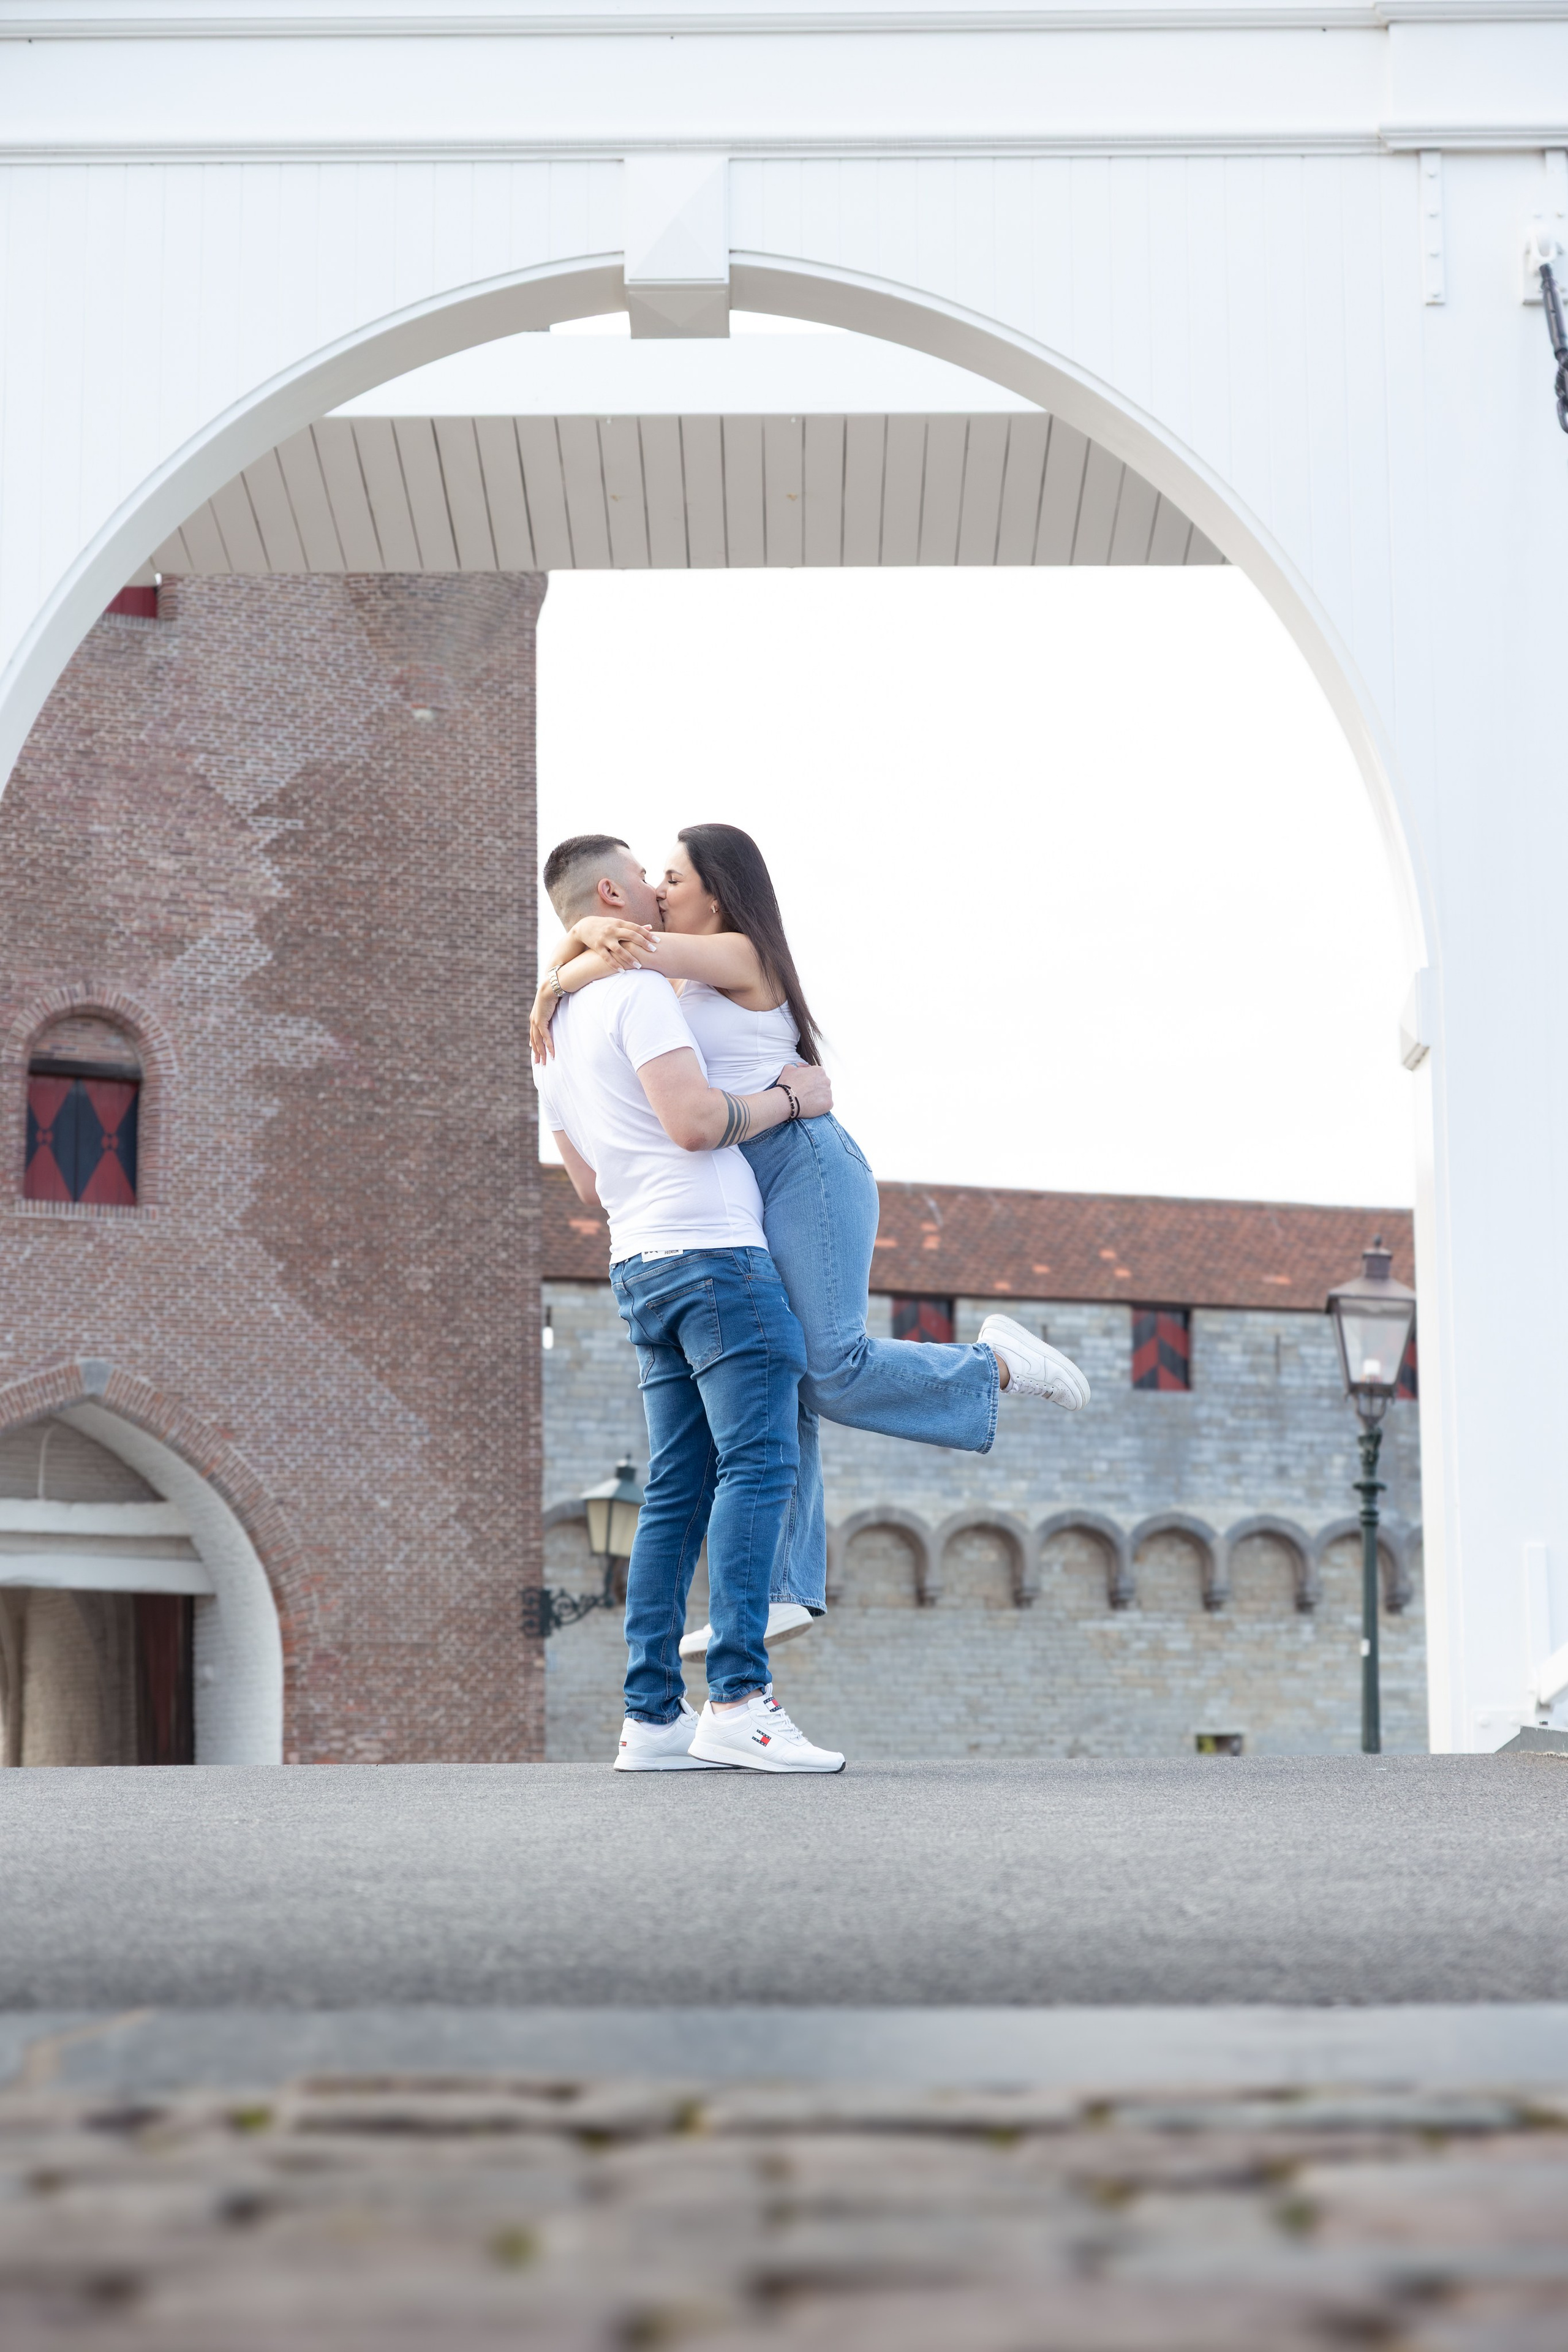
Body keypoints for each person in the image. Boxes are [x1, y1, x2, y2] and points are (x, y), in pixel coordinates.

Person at [533, 823, 1091, 1640]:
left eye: (675, 877)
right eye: (649, 877)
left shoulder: (739, 957)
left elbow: (624, 957)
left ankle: (1001, 1363)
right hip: (741, 1184)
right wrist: (570, 956)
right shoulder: (660, 990)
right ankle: (784, 1588)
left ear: (716, 895)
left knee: (828, 1369)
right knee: (781, 1376)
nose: (659, 888)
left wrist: (571, 950)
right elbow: (606, 973)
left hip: (803, 1165)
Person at [535, 832, 848, 1775]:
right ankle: (742, 1699)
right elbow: (698, 1122)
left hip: (638, 1263)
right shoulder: (635, 994)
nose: (656, 887)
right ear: (610, 890)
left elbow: (585, 1184)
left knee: (676, 1487)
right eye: (645, 874)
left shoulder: (552, 1030)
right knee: (759, 1466)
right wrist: (793, 1101)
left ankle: (651, 1720)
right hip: (715, 1252)